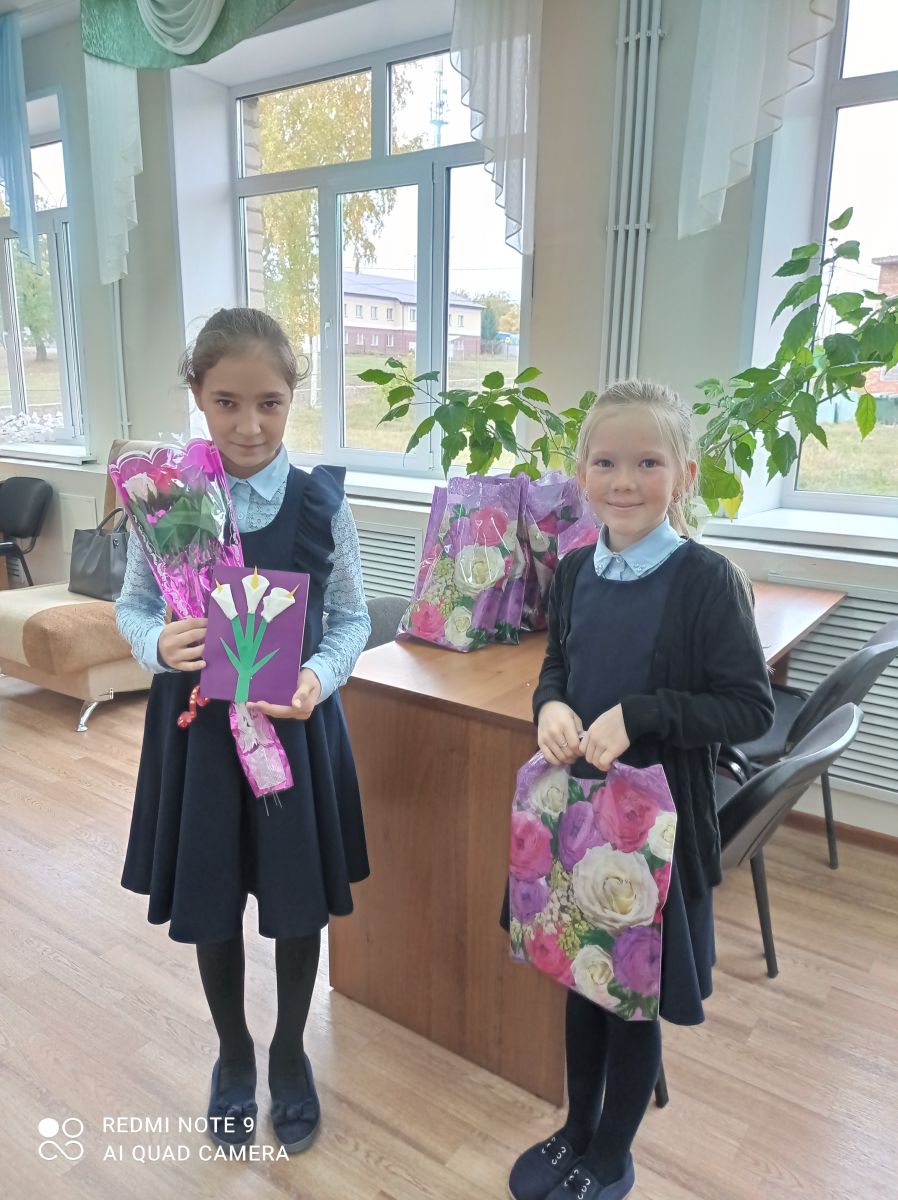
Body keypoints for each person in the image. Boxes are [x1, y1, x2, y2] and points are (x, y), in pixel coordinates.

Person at [507, 379, 774, 1200]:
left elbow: (750, 707)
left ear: (684, 475)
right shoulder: (575, 571)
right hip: (578, 822)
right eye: (606, 462)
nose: (625, 481)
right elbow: (558, 665)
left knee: (632, 992)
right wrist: (551, 705)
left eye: (648, 463)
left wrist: (644, 712)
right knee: (583, 979)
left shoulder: (707, 581)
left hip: (657, 835)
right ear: (581, 473)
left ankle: (611, 1153)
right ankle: (575, 1130)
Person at [116, 308, 371, 1155]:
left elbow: (351, 619)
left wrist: (316, 677)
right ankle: (233, 1052)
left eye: (269, 402)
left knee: (298, 903)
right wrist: (156, 643)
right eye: (227, 402)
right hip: (200, 744)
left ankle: (290, 1051)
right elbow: (134, 604)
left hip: (294, 733)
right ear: (198, 394)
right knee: (213, 896)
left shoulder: (321, 502)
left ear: (293, 397)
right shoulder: (168, 502)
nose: (250, 424)